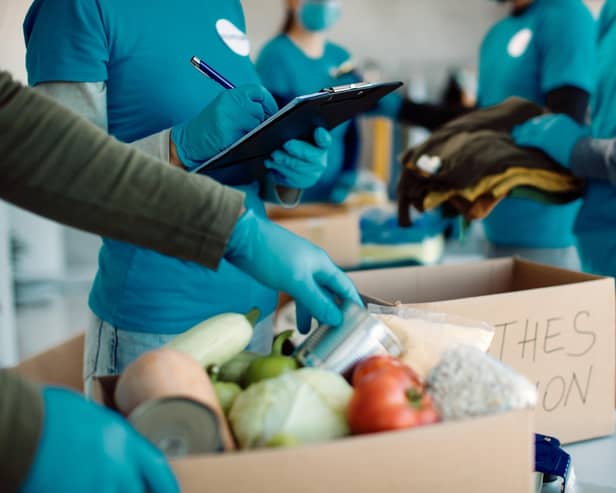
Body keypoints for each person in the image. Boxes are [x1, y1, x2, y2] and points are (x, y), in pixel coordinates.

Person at [0, 70, 361, 492]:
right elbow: (45, 148)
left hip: (244, 313)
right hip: (152, 317)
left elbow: (17, 127)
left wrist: (247, 221)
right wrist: (16, 427)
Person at [23, 0, 339, 389]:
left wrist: (285, 169)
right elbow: (62, 173)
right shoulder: (77, 8)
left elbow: (236, 160)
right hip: (158, 326)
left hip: (253, 315)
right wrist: (179, 146)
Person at [391, 0, 596, 270]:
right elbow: (478, 120)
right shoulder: (497, 34)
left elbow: (564, 121)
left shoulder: (567, 15)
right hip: (493, 226)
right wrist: (400, 108)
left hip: (550, 234)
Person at [512, 0, 616, 277]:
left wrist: (580, 150)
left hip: (551, 234)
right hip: (599, 248)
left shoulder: (568, 16)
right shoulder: (610, 14)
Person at [256, 0, 363, 203]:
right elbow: (273, 130)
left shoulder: (342, 57)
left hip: (333, 191)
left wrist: (349, 174)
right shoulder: (275, 55)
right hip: (289, 189)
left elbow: (352, 126)